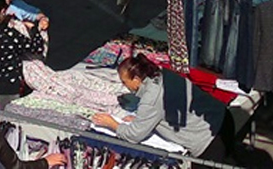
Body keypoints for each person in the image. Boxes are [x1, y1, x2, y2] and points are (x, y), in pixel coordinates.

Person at [91, 54, 232, 161]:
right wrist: (142, 119)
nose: (124, 86)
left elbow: (134, 135)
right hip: (222, 117)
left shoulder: (151, 99)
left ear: (136, 80)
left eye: (124, 82)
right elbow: (165, 109)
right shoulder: (161, 73)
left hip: (209, 142)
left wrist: (112, 124)